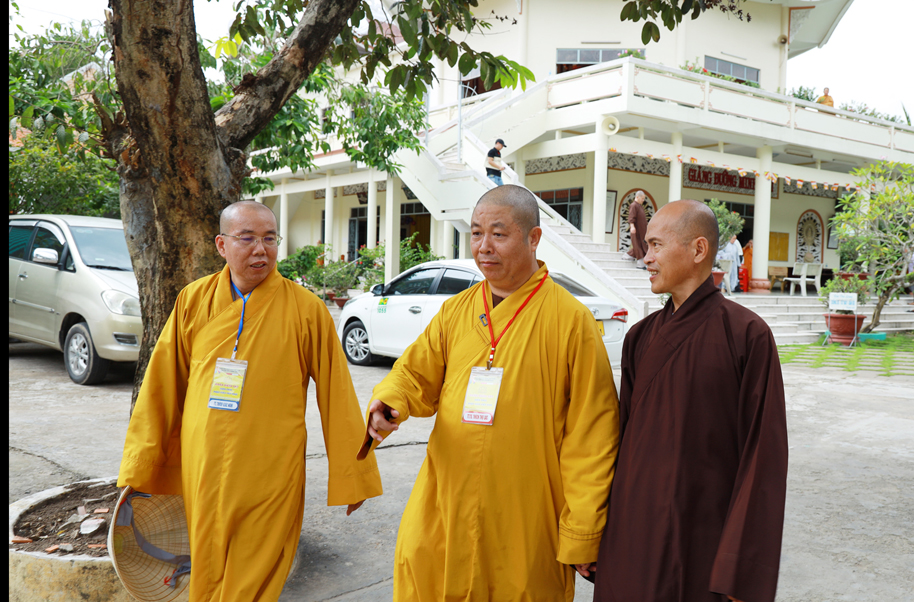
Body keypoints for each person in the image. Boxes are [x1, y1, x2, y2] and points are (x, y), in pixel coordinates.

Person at [360, 185, 620, 600]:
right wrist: (389, 401)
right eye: (477, 233)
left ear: (533, 238)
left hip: (525, 512)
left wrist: (582, 528)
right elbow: (413, 373)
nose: (484, 247)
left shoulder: (571, 321)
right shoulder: (456, 310)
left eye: (498, 234)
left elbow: (593, 435)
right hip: (445, 499)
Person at [117, 201, 382, 601]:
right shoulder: (193, 300)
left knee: (255, 575)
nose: (261, 250)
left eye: (270, 239)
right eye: (247, 239)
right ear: (222, 245)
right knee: (208, 564)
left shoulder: (306, 310)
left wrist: (352, 473)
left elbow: (337, 394)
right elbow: (161, 386)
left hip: (272, 468)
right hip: (204, 465)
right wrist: (140, 464)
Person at [593, 199, 788, 602]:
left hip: (704, 538)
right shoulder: (639, 337)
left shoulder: (747, 336)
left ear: (699, 249)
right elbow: (618, 442)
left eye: (656, 245)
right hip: (632, 532)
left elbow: (762, 458)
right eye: (646, 246)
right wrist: (595, 530)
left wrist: (741, 568)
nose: (646, 258)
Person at [627, 191, 649, 269]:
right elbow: (631, 217)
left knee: (642, 244)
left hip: (642, 231)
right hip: (636, 230)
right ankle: (640, 263)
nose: (643, 200)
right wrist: (632, 226)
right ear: (637, 197)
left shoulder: (640, 206)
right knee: (637, 244)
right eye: (642, 198)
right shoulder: (633, 205)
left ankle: (628, 256)